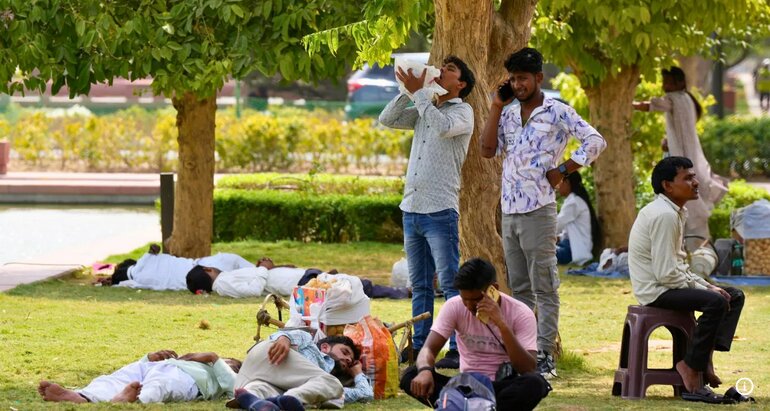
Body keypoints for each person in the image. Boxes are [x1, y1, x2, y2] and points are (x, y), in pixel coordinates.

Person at [480, 47, 606, 378]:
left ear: (538, 78)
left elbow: (595, 141)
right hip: (510, 211)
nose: (517, 85)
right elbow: (487, 149)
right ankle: (523, 354)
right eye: (513, 79)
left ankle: (546, 354)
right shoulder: (506, 113)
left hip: (539, 211)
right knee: (518, 288)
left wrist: (564, 168)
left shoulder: (558, 112)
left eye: (523, 78)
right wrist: (495, 106)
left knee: (545, 287)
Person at [379, 55, 476, 369]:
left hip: (440, 211)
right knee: (420, 285)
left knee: (450, 284)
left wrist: (421, 95)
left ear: (460, 84)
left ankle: (458, 350)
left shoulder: (462, 111)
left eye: (449, 70)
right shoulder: (425, 106)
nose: (441, 72)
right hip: (412, 209)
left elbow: (442, 126)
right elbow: (388, 119)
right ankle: (420, 348)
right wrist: (409, 90)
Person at [628, 156, 744, 400]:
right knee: (716, 302)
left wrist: (707, 285)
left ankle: (703, 358)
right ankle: (691, 366)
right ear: (667, 186)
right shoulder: (664, 215)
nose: (695, 182)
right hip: (657, 290)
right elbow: (666, 274)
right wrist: (708, 291)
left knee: (734, 295)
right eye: (687, 178)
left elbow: (677, 266)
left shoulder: (674, 211)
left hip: (667, 283)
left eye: (694, 176)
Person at [400, 258, 551, 410]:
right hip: (464, 385)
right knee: (412, 375)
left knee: (534, 383)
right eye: (465, 299)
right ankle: (466, 404)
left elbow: (528, 367)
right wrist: (425, 371)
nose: (470, 306)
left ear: (493, 289)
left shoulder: (520, 313)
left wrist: (502, 325)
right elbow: (428, 349)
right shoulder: (454, 306)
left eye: (476, 300)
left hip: (501, 387)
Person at [632, 66, 728, 242]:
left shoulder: (675, 98)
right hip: (687, 157)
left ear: (680, 83)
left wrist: (632, 105)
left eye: (668, 82)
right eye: (664, 82)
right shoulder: (687, 100)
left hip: (679, 160)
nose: (665, 86)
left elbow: (654, 105)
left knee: (679, 206)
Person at [232, 329, 373, 409]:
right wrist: (283, 339)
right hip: (267, 353)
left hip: (253, 380)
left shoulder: (319, 384)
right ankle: (292, 399)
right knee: (333, 385)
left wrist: (358, 374)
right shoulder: (309, 343)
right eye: (345, 352)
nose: (348, 359)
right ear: (325, 347)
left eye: (350, 361)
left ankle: (251, 400)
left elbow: (365, 394)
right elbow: (287, 335)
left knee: (262, 390)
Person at [38, 349, 241, 404]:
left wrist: (214, 358)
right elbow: (145, 365)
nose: (226, 361)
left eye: (230, 362)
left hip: (188, 380)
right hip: (157, 367)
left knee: (158, 386)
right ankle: (82, 396)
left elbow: (236, 388)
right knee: (114, 378)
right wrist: (150, 357)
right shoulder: (193, 359)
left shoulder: (224, 375)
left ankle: (134, 401)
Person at [108, 243, 254, 291]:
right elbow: (151, 252)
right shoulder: (145, 260)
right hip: (202, 266)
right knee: (253, 271)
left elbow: (125, 284)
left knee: (249, 278)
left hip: (202, 276)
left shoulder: (136, 282)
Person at [556, 171, 600, 265]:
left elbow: (556, 225)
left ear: (567, 182)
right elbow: (567, 232)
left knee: (537, 251)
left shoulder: (574, 202)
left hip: (572, 251)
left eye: (559, 182)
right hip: (569, 247)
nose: (557, 186)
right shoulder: (574, 200)